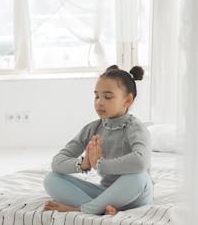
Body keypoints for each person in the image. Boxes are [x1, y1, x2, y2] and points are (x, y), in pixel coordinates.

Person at [43, 65, 152, 215]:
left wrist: (101, 165)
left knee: (139, 176)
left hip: (135, 195)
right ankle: (100, 208)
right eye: (96, 96)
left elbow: (141, 162)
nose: (99, 102)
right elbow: (57, 162)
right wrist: (84, 163)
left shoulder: (135, 128)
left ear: (127, 101)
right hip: (106, 195)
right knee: (51, 179)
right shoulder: (92, 128)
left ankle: (83, 209)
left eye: (107, 97)